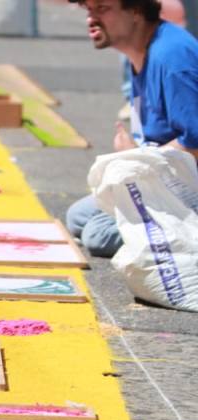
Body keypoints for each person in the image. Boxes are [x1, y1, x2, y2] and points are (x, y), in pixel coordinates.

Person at [67, 0, 198, 257]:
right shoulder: (138, 52)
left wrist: (137, 159)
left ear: (136, 11)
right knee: (78, 216)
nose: (91, 19)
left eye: (102, 9)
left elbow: (195, 141)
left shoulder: (172, 58)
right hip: (166, 183)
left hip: (187, 189)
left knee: (98, 234)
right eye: (88, 10)